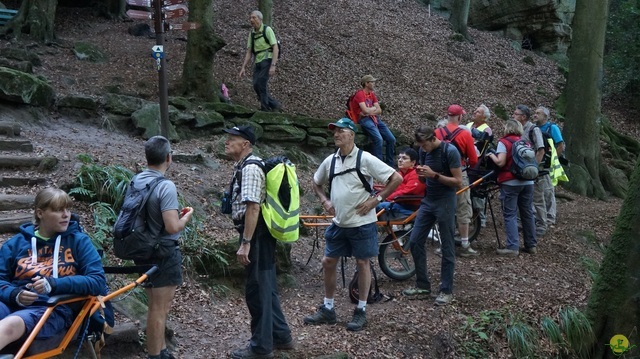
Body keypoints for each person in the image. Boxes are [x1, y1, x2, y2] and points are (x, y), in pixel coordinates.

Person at [304, 118, 401, 331]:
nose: (336, 135)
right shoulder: (330, 161)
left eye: (341, 131)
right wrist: (324, 200)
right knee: (328, 261)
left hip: (362, 223)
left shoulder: (365, 159)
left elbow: (396, 178)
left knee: (362, 263)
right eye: (334, 132)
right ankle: (328, 308)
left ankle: (361, 310)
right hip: (339, 223)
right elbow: (316, 181)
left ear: (352, 135)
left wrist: (375, 200)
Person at [0, 188, 107, 352]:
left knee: (9, 326)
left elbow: (97, 281)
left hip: (53, 307)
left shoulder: (78, 241)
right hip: (12, 303)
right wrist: (14, 294)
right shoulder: (15, 244)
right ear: (40, 213)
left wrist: (54, 284)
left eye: (68, 209)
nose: (66, 215)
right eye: (58, 210)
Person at [224, 125, 293, 359]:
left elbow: (253, 207)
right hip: (259, 235)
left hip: (256, 235)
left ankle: (261, 347)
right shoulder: (244, 166)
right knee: (267, 286)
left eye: (233, 139)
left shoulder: (251, 168)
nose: (227, 142)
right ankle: (281, 336)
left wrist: (246, 242)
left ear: (246, 144)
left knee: (257, 290)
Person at [133, 136, 194, 359]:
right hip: (162, 252)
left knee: (155, 306)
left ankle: (162, 351)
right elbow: (171, 226)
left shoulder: (136, 181)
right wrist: (186, 217)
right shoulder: (165, 185)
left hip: (142, 250)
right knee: (159, 309)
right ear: (169, 158)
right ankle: (155, 355)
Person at [402, 124, 462, 305]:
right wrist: (421, 174)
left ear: (432, 139)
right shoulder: (423, 152)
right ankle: (422, 284)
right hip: (428, 200)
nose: (422, 149)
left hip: (445, 200)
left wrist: (434, 175)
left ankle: (446, 290)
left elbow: (458, 182)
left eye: (424, 145)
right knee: (415, 240)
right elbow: (423, 177)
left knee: (447, 245)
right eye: (420, 145)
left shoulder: (449, 151)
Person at [486, 119, 537, 256]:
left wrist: (491, 155)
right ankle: (531, 245)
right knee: (527, 213)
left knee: (510, 214)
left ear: (507, 128)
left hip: (510, 183)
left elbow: (501, 162)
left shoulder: (504, 142)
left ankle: (512, 247)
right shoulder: (525, 142)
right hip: (528, 182)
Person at [434, 104, 479, 257]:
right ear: (460, 117)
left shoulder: (436, 133)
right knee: (463, 207)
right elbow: (473, 159)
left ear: (447, 116)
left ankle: (444, 245)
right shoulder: (465, 134)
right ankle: (465, 244)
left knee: (444, 208)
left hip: (439, 176)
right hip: (460, 174)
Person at [346, 75, 396, 167]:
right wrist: (372, 109)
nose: (374, 84)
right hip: (364, 120)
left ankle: (390, 164)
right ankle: (378, 165)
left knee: (391, 139)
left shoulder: (372, 94)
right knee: (378, 139)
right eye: (372, 82)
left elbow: (379, 110)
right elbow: (365, 110)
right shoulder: (360, 94)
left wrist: (369, 110)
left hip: (374, 118)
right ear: (366, 83)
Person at [513, 105, 547, 238]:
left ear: (523, 117)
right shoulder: (518, 130)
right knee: (522, 198)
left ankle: (541, 225)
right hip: (521, 171)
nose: (513, 116)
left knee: (537, 198)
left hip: (533, 170)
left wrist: (535, 169)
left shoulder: (534, 129)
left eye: (516, 114)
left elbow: (541, 150)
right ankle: (523, 223)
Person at [238, 10, 281, 112]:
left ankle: (265, 108)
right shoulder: (252, 34)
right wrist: (243, 67)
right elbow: (249, 52)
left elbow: (275, 47)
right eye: (250, 18)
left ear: (260, 19)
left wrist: (273, 65)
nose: (251, 20)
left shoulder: (267, 30)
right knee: (256, 85)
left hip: (267, 60)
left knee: (261, 82)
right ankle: (274, 104)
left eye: (254, 17)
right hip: (257, 61)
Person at [534, 106, 565, 226]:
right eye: (535, 113)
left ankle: (550, 217)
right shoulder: (535, 128)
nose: (535, 115)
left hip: (547, 164)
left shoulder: (552, 128)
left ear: (545, 117)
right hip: (538, 161)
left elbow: (560, 145)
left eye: (538, 113)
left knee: (548, 190)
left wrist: (553, 159)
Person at [376, 147, 426, 219]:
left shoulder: (416, 174)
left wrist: (385, 197)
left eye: (404, 158)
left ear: (413, 162)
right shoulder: (399, 174)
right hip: (398, 203)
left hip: (411, 207)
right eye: (399, 158)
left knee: (375, 206)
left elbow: (407, 192)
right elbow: (390, 188)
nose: (400, 160)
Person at [467, 104, 493, 227]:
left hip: (478, 164)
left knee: (477, 191)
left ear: (484, 117)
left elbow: (480, 146)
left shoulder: (486, 129)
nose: (474, 112)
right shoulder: (468, 125)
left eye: (477, 112)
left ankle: (480, 219)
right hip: (465, 161)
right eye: (475, 110)